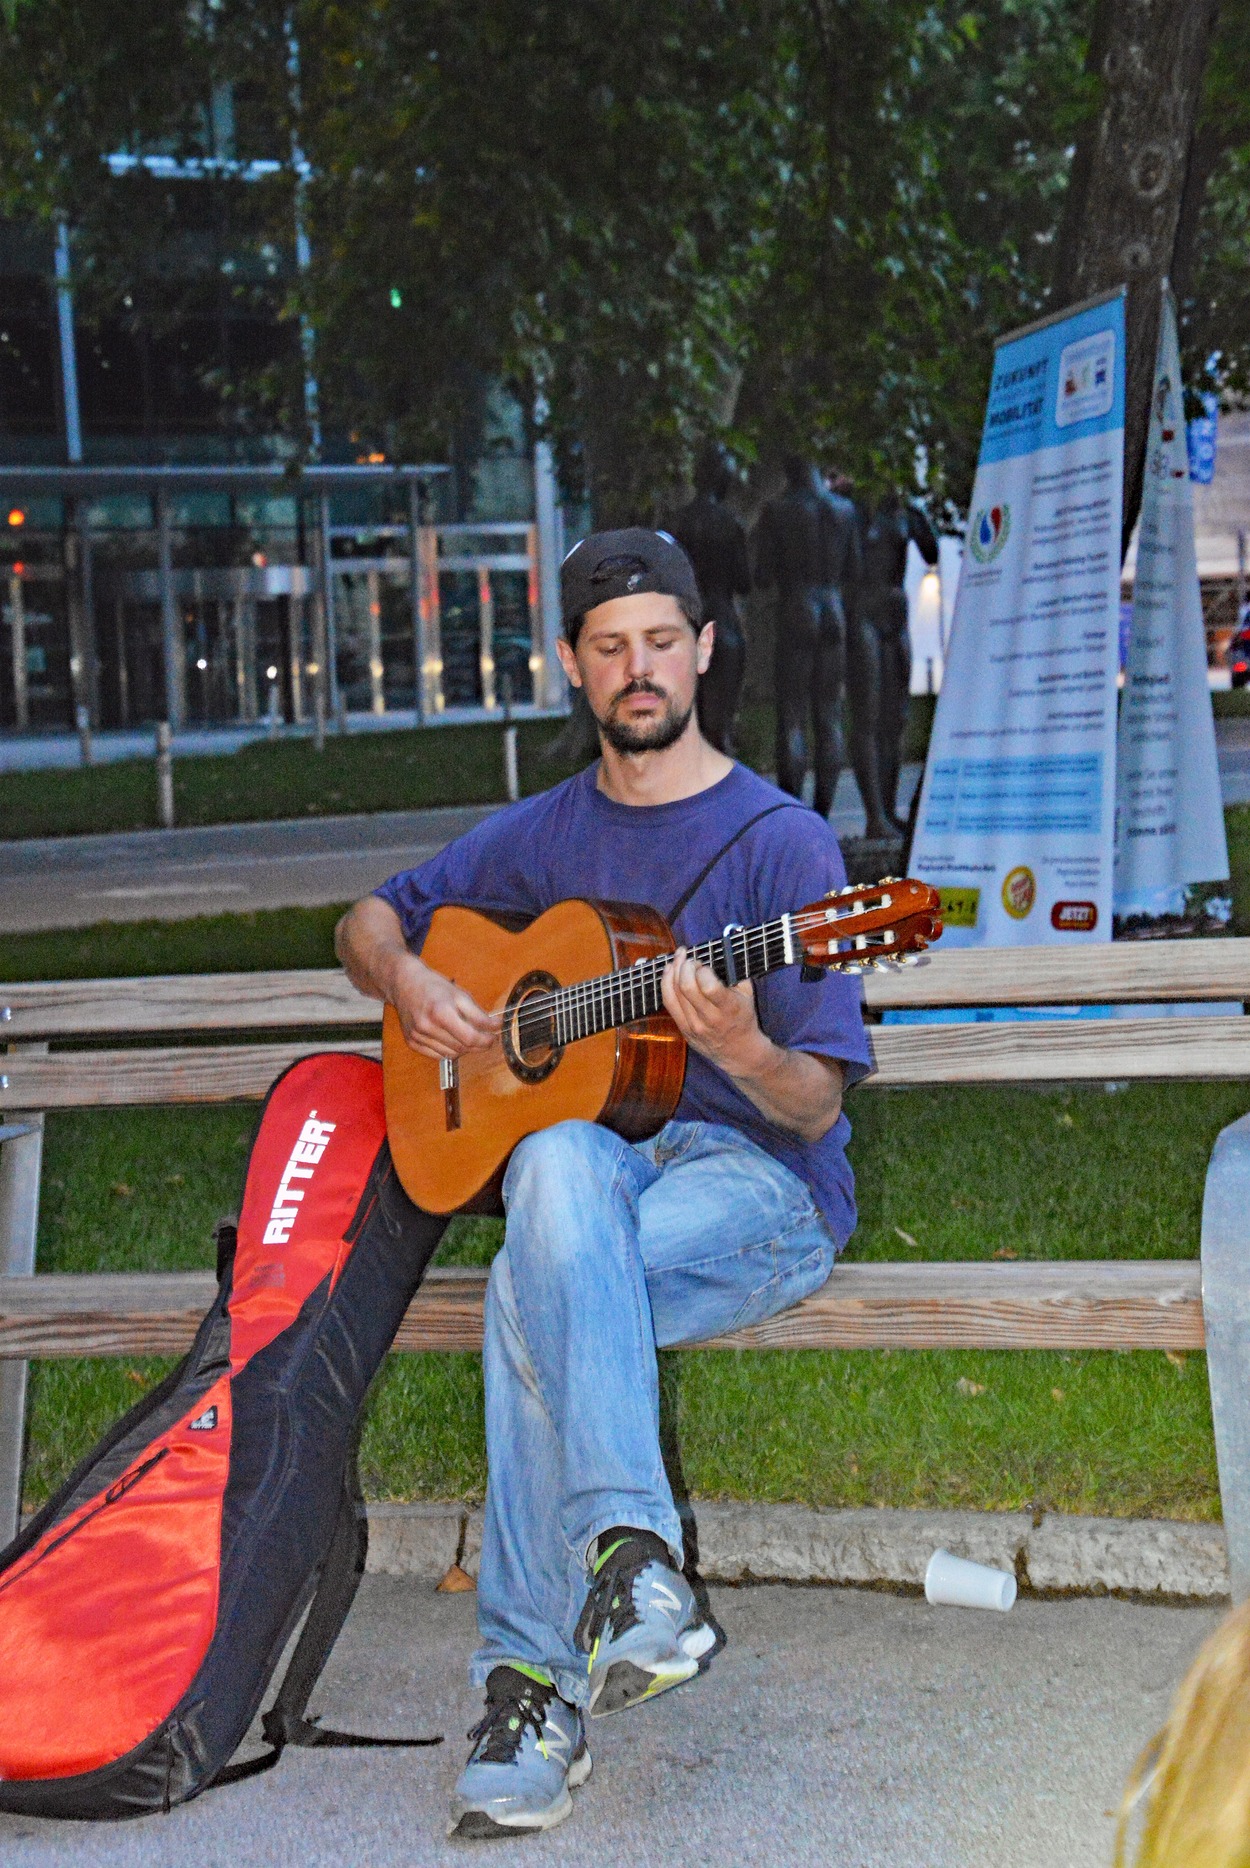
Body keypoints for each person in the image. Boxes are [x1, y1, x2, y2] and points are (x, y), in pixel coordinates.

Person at [335, 526, 873, 1839]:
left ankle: (530, 1689)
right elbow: (366, 922)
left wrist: (739, 1041)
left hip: (757, 1196)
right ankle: (630, 1574)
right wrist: (412, 983)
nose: (638, 669)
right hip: (597, 1195)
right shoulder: (540, 835)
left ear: (700, 650)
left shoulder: (783, 847)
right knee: (558, 1159)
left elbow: (814, 1103)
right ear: (574, 668)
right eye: (607, 647)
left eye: (659, 641)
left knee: (534, 1283)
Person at [754, 456, 866, 826]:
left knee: (792, 718)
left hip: (796, 608)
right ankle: (822, 816)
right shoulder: (844, 510)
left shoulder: (778, 510)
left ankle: (794, 819)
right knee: (829, 715)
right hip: (833, 610)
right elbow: (855, 569)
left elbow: (762, 575)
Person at [859, 492, 939, 833]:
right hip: (865, 613)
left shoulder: (906, 513)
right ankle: (875, 814)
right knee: (871, 715)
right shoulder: (858, 508)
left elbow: (931, 551)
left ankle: (888, 810)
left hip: (895, 614)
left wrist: (919, 515)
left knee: (897, 717)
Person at [669, 442, 752, 755]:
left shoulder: (677, 523)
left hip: (686, 628)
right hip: (724, 626)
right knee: (722, 724)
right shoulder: (731, 525)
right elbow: (744, 583)